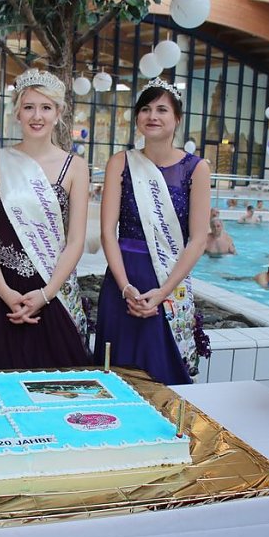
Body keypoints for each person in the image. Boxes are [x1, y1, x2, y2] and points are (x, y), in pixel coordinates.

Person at [0, 68, 90, 370]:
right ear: (17, 113)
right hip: (0, 289)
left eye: (46, 107)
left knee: (58, 387)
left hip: (53, 286)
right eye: (29, 107)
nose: (37, 116)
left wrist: (46, 295)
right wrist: (4, 292)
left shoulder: (75, 167)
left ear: (59, 113)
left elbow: (76, 241)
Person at [94, 77, 211, 385]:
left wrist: (163, 292)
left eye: (162, 109)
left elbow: (198, 240)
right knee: (115, 375)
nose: (152, 116)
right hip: (124, 281)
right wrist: (125, 288)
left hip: (169, 281)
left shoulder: (196, 168)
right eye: (145, 109)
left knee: (166, 376)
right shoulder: (120, 162)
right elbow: (107, 231)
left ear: (177, 119)